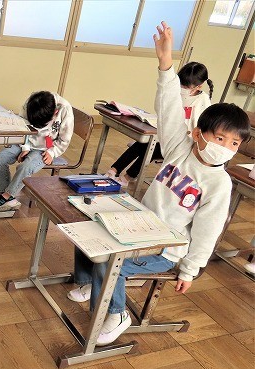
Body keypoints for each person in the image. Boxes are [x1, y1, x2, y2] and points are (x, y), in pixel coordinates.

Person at [67, 21, 250, 346]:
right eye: (219, 138)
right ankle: (87, 281)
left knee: (110, 261)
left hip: (166, 248)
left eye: (233, 143)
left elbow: (207, 232)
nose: (225, 147)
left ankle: (117, 313)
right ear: (198, 133)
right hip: (138, 226)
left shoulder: (220, 184)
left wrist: (189, 270)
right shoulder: (181, 146)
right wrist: (166, 63)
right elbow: (168, 108)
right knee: (88, 231)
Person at [105, 62, 214, 186]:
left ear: (199, 87)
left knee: (150, 148)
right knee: (141, 143)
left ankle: (127, 177)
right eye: (180, 84)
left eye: (185, 86)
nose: (181, 88)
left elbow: (200, 128)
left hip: (182, 144)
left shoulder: (203, 101)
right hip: (165, 135)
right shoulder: (176, 92)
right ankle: (114, 170)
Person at [0, 91, 74, 212]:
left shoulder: (65, 110)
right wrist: (25, 147)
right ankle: (8, 197)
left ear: (55, 113)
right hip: (25, 140)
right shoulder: (32, 102)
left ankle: (5, 197)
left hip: (46, 148)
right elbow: (22, 125)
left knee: (26, 167)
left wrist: (52, 152)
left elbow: (64, 140)